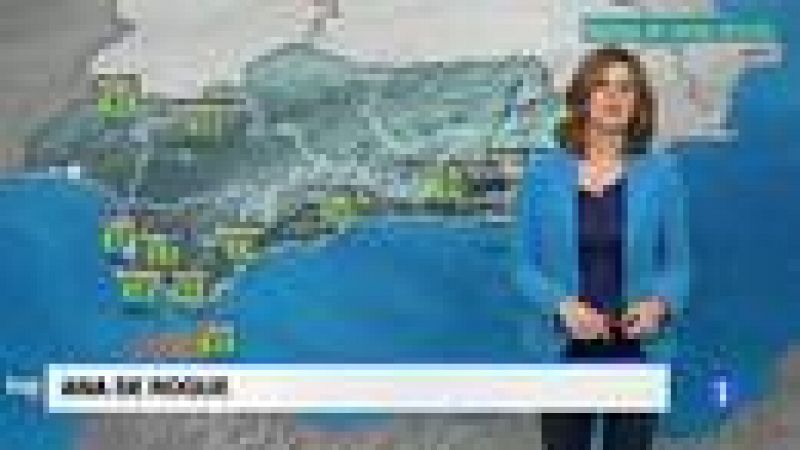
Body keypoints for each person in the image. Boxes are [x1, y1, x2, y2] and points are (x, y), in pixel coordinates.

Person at [515, 46, 691, 450]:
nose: (614, 97)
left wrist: (659, 306)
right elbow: (523, 265)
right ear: (583, 96)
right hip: (563, 348)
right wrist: (561, 306)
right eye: (602, 85)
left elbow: (678, 265)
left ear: (638, 102)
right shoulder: (543, 174)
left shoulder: (662, 174)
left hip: (638, 350)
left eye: (626, 88)